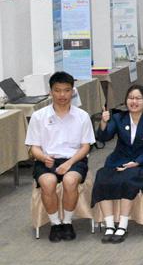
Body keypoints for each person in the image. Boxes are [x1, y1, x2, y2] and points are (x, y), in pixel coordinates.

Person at [26, 72, 95, 242]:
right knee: (48, 182)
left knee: (70, 181)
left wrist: (69, 163)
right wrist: (43, 157)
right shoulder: (38, 116)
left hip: (75, 159)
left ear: (73, 91)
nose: (62, 95)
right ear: (50, 92)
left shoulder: (82, 116)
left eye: (66, 90)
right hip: (47, 159)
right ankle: (55, 223)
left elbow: (85, 147)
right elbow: (33, 147)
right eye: (57, 90)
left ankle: (67, 222)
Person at [92, 85, 143, 243]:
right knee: (102, 177)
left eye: (138, 98)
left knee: (128, 179)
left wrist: (137, 162)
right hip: (119, 160)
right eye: (131, 98)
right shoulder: (119, 118)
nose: (134, 101)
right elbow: (104, 137)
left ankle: (122, 225)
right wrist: (103, 122)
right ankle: (110, 225)